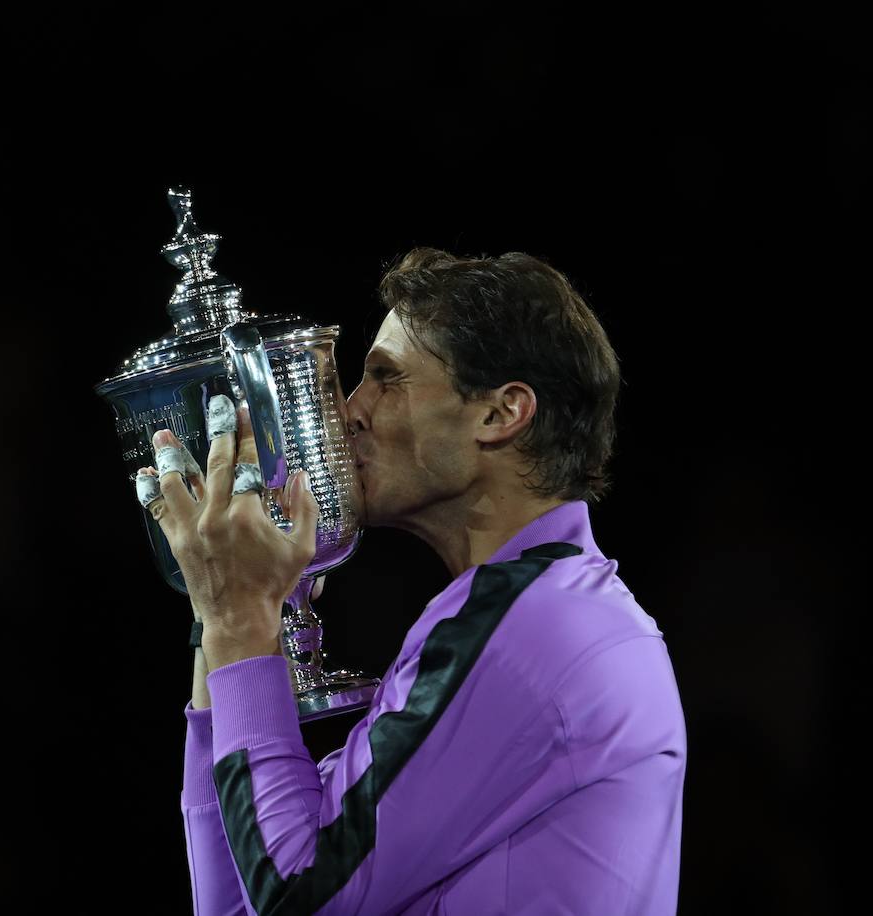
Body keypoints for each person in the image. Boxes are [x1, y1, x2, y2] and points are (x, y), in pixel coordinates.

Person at [134, 247, 686, 915]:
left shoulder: (532, 632)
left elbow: (296, 891)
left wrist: (240, 619)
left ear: (500, 413)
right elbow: (240, 903)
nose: (350, 410)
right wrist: (218, 608)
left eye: (385, 378)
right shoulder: (532, 613)